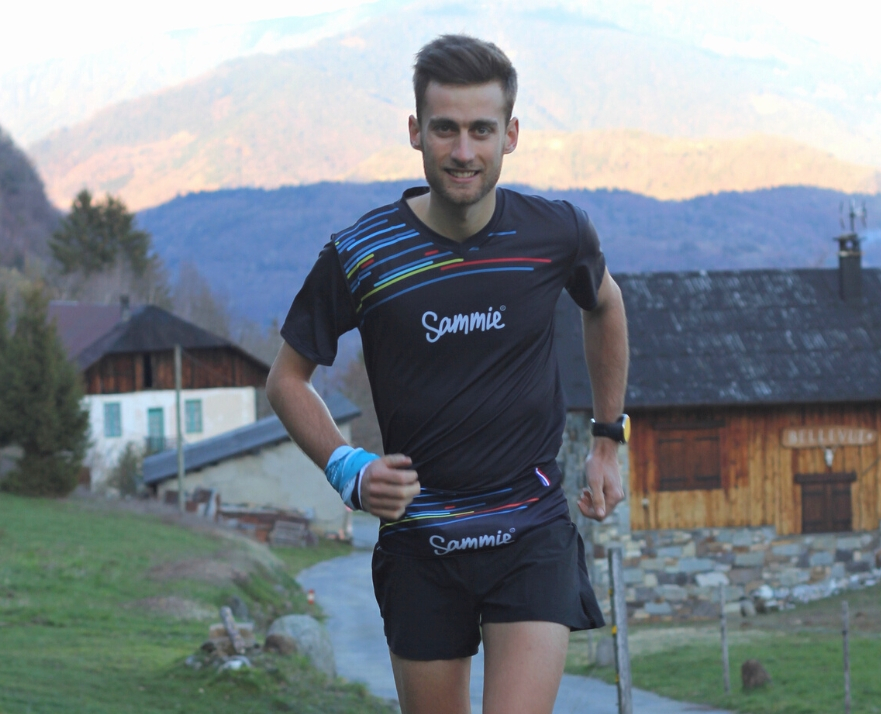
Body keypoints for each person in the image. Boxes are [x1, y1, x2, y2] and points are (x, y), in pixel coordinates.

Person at [266, 34, 629, 714]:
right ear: (416, 132)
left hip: (529, 529)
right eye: (446, 130)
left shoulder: (556, 235)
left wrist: (608, 438)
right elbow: (287, 379)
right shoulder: (362, 255)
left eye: (481, 131)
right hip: (419, 541)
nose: (464, 152)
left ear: (510, 135)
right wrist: (348, 468)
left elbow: (605, 304)